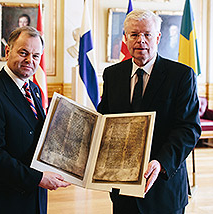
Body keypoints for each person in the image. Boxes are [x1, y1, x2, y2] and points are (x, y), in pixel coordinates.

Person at [97, 9, 201, 214]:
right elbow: (105, 118)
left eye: (147, 34)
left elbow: (188, 128)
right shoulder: (112, 74)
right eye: (134, 35)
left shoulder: (181, 75)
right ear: (125, 38)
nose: (141, 40)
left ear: (158, 37)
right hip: (122, 186)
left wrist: (161, 163)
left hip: (163, 186)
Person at [0, 26, 70, 214]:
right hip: (4, 200)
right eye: (23, 52)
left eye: (35, 56)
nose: (29, 61)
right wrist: (37, 178)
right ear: (8, 51)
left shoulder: (33, 89)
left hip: (34, 196)